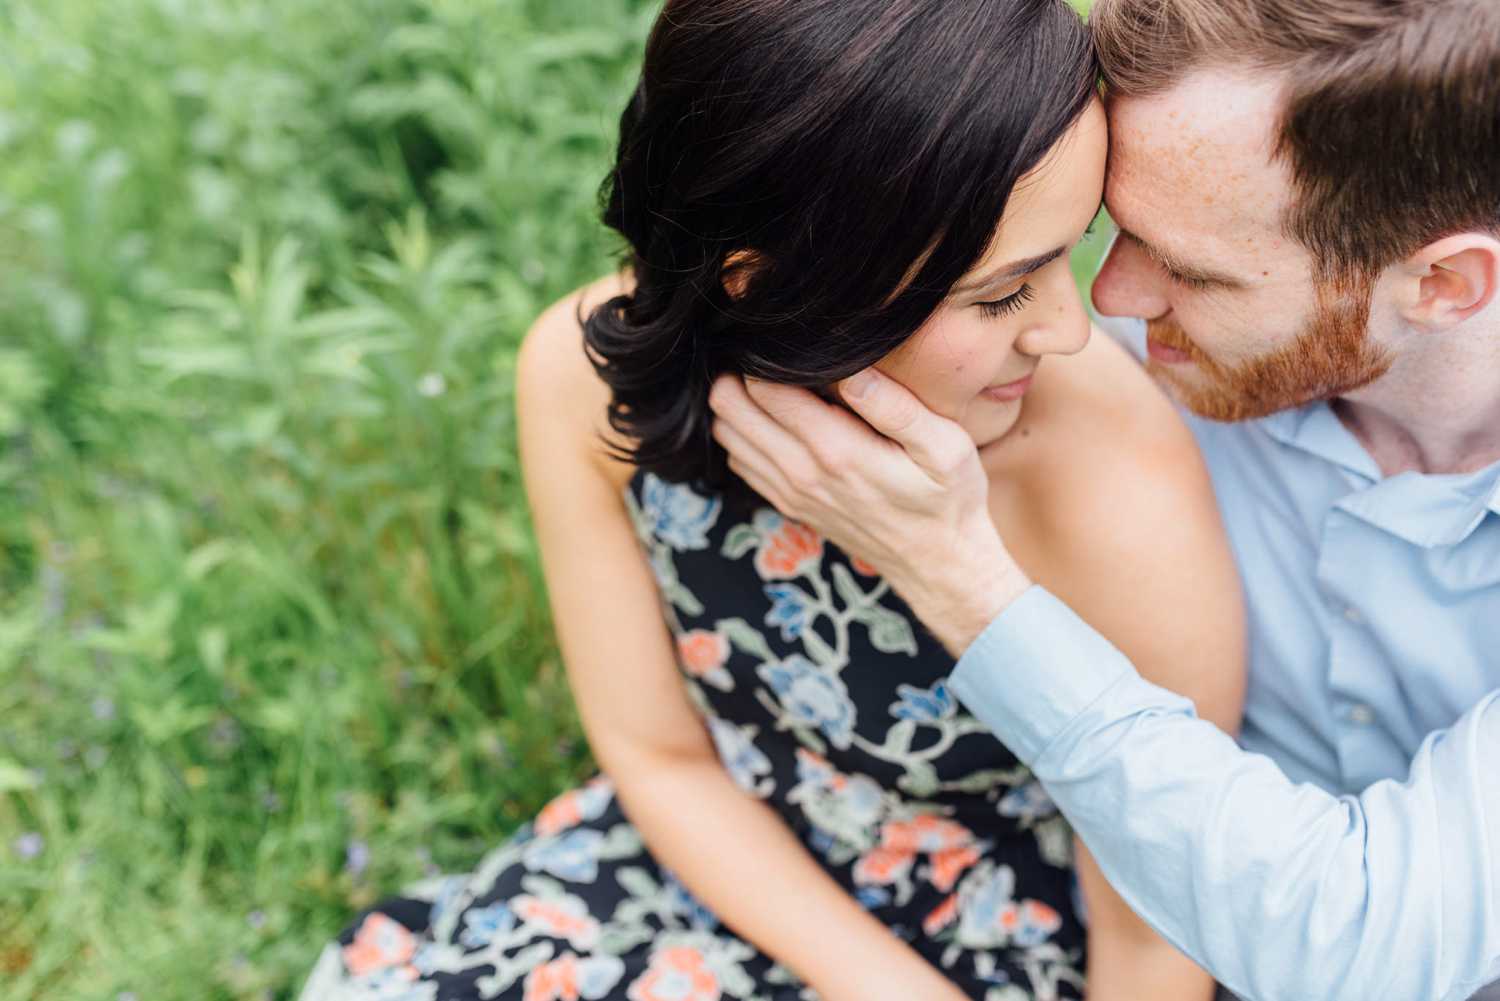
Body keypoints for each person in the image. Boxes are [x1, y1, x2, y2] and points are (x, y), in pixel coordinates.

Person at [297, 1, 1248, 999]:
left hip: (1025, 934)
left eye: (1070, 249)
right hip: (732, 862)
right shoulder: (583, 382)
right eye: (1000, 292)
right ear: (769, 285)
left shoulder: (1103, 472)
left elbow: (1162, 926)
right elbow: (660, 756)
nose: (1068, 324)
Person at [705, 1, 1500, 1000]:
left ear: (1442, 284)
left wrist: (960, 578)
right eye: (1112, 233)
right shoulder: (1112, 383)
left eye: (1187, 269)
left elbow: (1353, 947)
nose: (1105, 305)